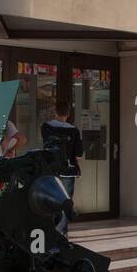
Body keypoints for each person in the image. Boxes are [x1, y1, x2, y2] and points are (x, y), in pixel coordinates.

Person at [41, 101, 83, 235]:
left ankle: (50, 232)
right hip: (68, 171)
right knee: (65, 202)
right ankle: (61, 235)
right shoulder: (74, 130)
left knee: (49, 201)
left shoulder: (46, 127)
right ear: (68, 114)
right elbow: (79, 154)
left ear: (55, 112)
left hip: (51, 169)